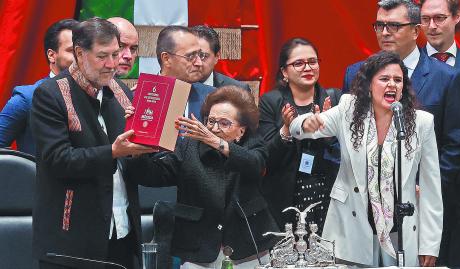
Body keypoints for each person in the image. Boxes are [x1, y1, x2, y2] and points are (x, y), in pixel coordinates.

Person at [341, 1, 460, 265]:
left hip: (418, 207)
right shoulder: (356, 73)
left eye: (394, 26)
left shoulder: (446, 78)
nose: (385, 32)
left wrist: (424, 186)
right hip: (363, 206)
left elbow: (457, 144)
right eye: (380, 25)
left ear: (416, 30)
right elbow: (343, 135)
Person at [291, 51, 443, 267]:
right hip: (349, 228)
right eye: (384, 79)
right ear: (369, 85)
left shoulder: (422, 123)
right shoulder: (348, 109)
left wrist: (429, 243)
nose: (392, 85)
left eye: (398, 80)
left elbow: (431, 187)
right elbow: (300, 127)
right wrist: (306, 122)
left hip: (399, 232)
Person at [31, 17, 157, 269]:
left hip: (121, 229)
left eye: (115, 53)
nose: (112, 64)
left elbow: (132, 160)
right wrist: (112, 152)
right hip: (71, 240)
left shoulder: (120, 91)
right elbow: (58, 160)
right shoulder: (50, 93)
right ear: (79, 53)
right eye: (102, 56)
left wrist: (146, 147)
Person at [125, 86, 279, 269]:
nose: (214, 128)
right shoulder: (190, 146)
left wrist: (214, 141)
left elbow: (255, 164)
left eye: (224, 123)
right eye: (211, 121)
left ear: (241, 131)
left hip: (247, 245)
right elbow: (152, 175)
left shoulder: (254, 145)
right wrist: (137, 145)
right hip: (197, 246)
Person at [258, 38, 341, 230]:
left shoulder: (333, 98)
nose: (307, 68)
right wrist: (286, 131)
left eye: (312, 61)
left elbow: (344, 151)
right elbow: (265, 157)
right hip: (284, 194)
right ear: (284, 72)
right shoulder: (271, 102)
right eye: (298, 63)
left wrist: (326, 133)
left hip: (326, 193)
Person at [420, 0, 460, 264]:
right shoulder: (404, 70)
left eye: (439, 18)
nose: (431, 26)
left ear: (456, 17)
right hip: (418, 184)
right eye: (425, 19)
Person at [0, 19, 78, 154]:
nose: (80, 57)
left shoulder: (99, 95)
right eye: (72, 50)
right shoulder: (27, 97)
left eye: (83, 50)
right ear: (52, 55)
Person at [156, 25, 215, 121]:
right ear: (166, 59)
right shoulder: (138, 96)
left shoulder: (212, 97)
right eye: (191, 56)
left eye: (200, 55)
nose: (199, 63)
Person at [191, 25, 252, 92]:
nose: (196, 62)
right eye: (191, 55)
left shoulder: (237, 90)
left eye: (203, 56)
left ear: (216, 57)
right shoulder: (178, 86)